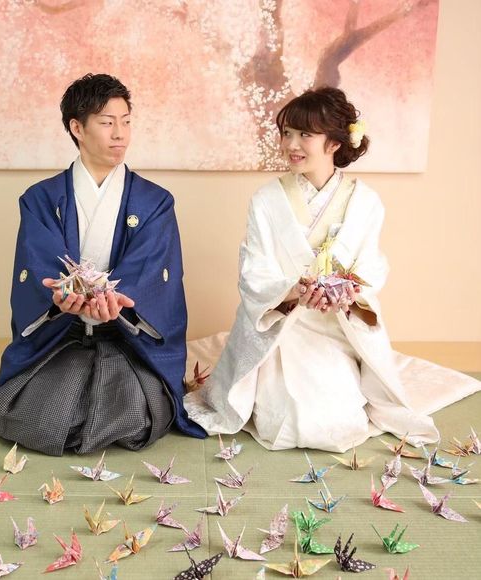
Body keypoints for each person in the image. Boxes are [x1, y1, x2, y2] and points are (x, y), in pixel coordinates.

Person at [184, 87, 442, 453]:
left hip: (337, 326)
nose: (291, 144)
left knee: (341, 423)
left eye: (305, 134)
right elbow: (254, 270)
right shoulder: (266, 200)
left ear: (334, 143)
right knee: (288, 421)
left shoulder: (366, 202)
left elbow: (372, 264)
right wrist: (295, 291)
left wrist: (349, 292)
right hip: (282, 326)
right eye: (287, 133)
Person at [0, 73, 205, 455]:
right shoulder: (40, 199)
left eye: (126, 121)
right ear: (77, 128)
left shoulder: (155, 201)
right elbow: (38, 264)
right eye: (107, 122)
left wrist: (117, 302)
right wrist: (64, 299)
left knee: (137, 417)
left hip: (126, 336)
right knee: (24, 415)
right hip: (63, 333)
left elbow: (153, 272)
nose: (120, 134)